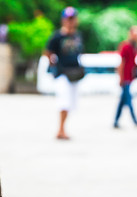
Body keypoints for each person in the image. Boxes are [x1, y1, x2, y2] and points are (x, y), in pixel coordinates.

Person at [45, 7, 84, 140]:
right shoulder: (57, 36)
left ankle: (62, 129)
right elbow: (48, 51)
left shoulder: (77, 36)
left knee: (71, 104)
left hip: (75, 73)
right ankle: (60, 130)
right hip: (62, 73)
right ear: (63, 20)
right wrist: (54, 65)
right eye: (68, 19)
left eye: (73, 19)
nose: (71, 21)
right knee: (64, 102)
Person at [114, 26, 137, 128]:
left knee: (122, 101)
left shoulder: (135, 47)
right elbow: (122, 63)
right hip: (125, 78)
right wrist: (120, 77)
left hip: (130, 78)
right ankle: (135, 121)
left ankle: (115, 122)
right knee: (128, 100)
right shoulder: (125, 46)